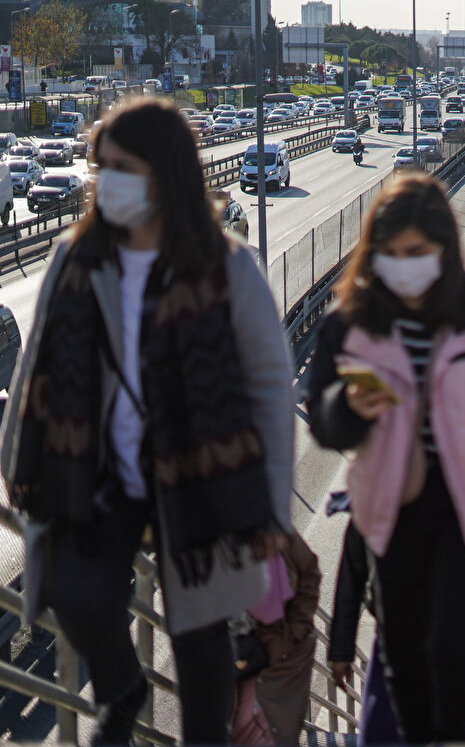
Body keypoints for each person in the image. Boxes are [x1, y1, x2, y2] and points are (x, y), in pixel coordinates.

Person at [0, 97, 295, 745]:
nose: (107, 180)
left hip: (203, 474)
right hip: (103, 471)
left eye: (123, 166)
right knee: (78, 595)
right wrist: (16, 460)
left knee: (200, 633)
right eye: (101, 166)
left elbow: (272, 388)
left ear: (164, 174)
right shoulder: (75, 258)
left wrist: (271, 509)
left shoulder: (227, 265)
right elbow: (33, 367)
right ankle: (123, 686)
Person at [305, 171, 465, 744]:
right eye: (391, 255)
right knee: (402, 654)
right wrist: (347, 405)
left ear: (445, 250)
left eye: (417, 254)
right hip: (391, 508)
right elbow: (320, 419)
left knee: (455, 648)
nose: (405, 266)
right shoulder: (350, 322)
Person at [327, 491, 402, 745]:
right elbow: (351, 576)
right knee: (378, 736)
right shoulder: (371, 498)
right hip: (391, 642)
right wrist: (340, 651)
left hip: (442, 646)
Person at [233, 532, 322, 746]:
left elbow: (309, 572)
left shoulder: (273, 526)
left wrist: (295, 630)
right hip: (232, 658)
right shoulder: (205, 537)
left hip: (281, 655)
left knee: (273, 729)